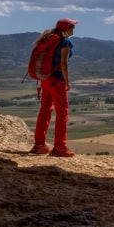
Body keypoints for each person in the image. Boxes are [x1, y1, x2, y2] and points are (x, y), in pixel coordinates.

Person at [30, 18, 77, 157]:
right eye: (72, 27)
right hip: (58, 82)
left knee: (45, 111)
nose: (73, 30)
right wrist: (67, 81)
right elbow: (64, 63)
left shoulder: (49, 40)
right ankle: (60, 148)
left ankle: (39, 145)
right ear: (66, 29)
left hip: (46, 80)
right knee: (62, 114)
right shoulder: (65, 43)